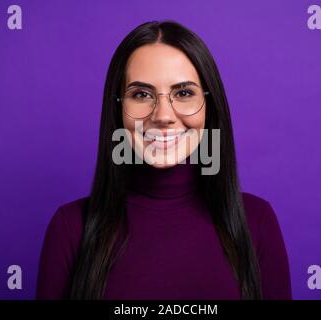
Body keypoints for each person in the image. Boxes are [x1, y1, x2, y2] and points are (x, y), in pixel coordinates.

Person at [36, 20, 292, 300]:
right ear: (119, 107)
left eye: (183, 93)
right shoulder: (70, 228)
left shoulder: (257, 221)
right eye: (141, 94)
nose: (162, 116)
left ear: (210, 105)